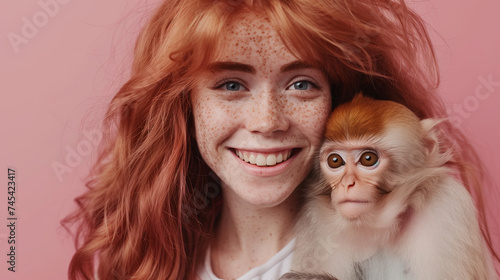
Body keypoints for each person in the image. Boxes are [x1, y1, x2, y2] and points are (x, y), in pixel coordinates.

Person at [63, 0, 498, 279]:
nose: (267, 122)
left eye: (301, 84)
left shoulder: (399, 233)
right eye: (232, 85)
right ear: (185, 106)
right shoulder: (158, 249)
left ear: (336, 101)